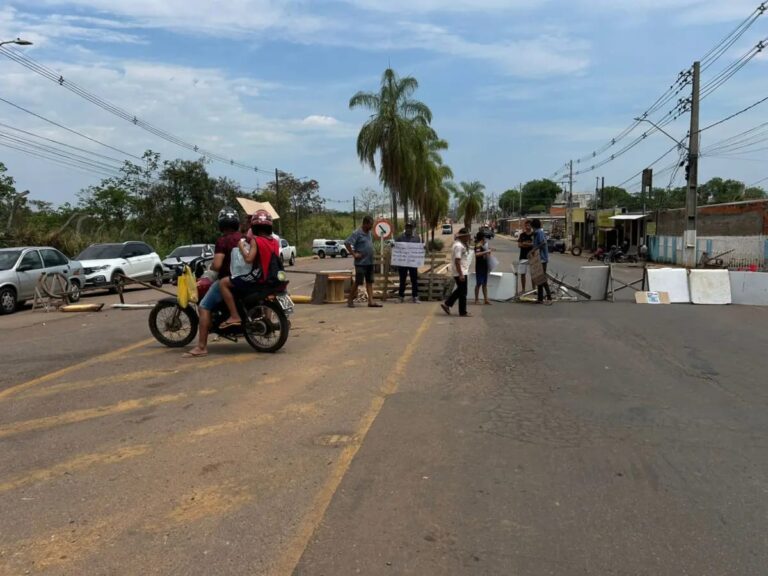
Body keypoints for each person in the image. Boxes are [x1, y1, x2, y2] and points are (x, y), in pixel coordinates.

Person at [185, 206, 243, 357]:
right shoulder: (244, 238)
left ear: (221, 224)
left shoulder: (223, 241)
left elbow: (217, 265)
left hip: (228, 279)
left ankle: (201, 347)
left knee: (203, 306)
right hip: (244, 279)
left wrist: (210, 266)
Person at [217, 209, 279, 328]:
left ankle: (234, 315)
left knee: (223, 283)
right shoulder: (275, 241)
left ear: (253, 227)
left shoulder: (256, 241)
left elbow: (249, 259)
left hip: (259, 276)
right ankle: (266, 319)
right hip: (273, 276)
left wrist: (241, 247)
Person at [345, 215, 382, 308]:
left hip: (370, 262)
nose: (371, 226)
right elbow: (347, 243)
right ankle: (350, 300)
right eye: (370, 224)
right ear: (365, 224)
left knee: (369, 281)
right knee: (358, 281)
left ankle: (371, 301)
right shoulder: (357, 233)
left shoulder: (369, 233)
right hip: (361, 263)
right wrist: (354, 254)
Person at [441, 228, 472, 317]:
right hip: (460, 271)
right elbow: (457, 261)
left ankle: (447, 304)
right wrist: (461, 274)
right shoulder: (459, 246)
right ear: (463, 236)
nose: (468, 238)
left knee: (461, 290)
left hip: (460, 271)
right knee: (463, 292)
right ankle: (462, 311)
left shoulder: (459, 244)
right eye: (467, 236)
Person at [396, 220, 422, 303]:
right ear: (405, 228)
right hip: (402, 262)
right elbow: (396, 247)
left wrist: (423, 248)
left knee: (414, 279)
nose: (408, 229)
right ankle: (401, 296)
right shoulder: (400, 237)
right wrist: (393, 246)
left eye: (410, 227)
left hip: (412, 262)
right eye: (407, 227)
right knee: (402, 280)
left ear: (412, 228)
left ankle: (415, 296)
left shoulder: (417, 238)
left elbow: (420, 248)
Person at [530, 218, 552, 305]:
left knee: (542, 279)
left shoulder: (539, 232)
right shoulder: (537, 233)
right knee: (539, 278)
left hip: (542, 258)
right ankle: (540, 298)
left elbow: (543, 243)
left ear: (533, 226)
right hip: (539, 258)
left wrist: (534, 249)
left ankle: (549, 297)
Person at [473, 230, 492, 305]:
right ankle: (476, 299)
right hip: (480, 267)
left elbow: (484, 254)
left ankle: (486, 299)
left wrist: (488, 252)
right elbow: (477, 254)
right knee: (479, 283)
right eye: (484, 237)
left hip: (484, 266)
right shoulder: (478, 245)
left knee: (484, 283)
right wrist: (486, 252)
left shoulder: (483, 245)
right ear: (482, 238)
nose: (485, 239)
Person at [516, 220, 534, 294]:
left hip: (532, 257)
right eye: (526, 225)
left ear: (531, 226)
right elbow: (519, 245)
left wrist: (525, 243)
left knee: (533, 274)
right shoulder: (522, 235)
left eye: (529, 225)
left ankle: (534, 289)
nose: (527, 227)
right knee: (522, 274)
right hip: (523, 257)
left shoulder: (534, 234)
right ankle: (523, 289)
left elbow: (535, 244)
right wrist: (529, 244)